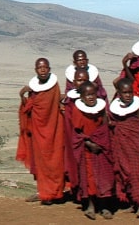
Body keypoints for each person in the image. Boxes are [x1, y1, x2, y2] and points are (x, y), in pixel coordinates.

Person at [17, 57, 65, 204]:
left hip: (54, 128)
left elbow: (55, 104)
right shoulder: (33, 90)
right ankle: (43, 192)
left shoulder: (54, 86)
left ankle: (55, 192)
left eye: (45, 67)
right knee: (40, 161)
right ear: (35, 70)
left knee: (56, 160)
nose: (43, 70)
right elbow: (29, 108)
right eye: (40, 67)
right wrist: (22, 95)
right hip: (38, 130)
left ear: (49, 69)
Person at [69, 80, 115, 219]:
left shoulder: (101, 109)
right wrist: (89, 143)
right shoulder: (78, 111)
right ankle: (90, 206)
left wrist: (101, 143)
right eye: (87, 95)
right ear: (81, 97)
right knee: (89, 178)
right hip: (87, 150)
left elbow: (105, 127)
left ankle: (104, 206)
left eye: (93, 94)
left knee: (103, 176)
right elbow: (77, 133)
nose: (90, 97)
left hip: (101, 148)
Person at [110, 77, 139, 218]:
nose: (128, 95)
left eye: (130, 92)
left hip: (136, 146)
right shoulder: (115, 107)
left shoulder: (138, 107)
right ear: (119, 94)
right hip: (122, 146)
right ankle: (132, 203)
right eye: (124, 92)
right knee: (124, 173)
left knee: (136, 174)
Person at [61, 67, 91, 202]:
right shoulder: (69, 101)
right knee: (76, 165)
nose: (82, 82)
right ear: (73, 82)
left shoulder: (94, 98)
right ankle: (80, 195)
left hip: (91, 140)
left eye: (85, 80)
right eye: (79, 80)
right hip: (74, 140)